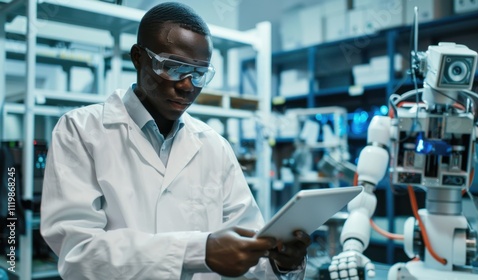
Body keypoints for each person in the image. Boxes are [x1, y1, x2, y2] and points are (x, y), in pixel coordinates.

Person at [40, 2, 311, 279]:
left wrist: (281, 263)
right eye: (173, 67)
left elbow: (249, 252)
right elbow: (79, 253)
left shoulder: (214, 146)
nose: (187, 85)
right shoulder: (80, 130)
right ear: (138, 58)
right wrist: (196, 251)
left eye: (199, 73)